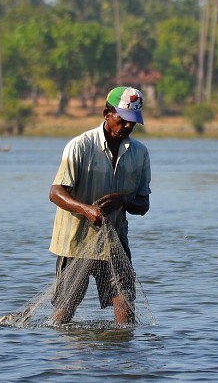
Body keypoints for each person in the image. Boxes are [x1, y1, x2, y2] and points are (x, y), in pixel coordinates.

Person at [48, 86, 151, 324]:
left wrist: (124, 200)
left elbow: (143, 204)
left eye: (132, 123)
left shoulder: (140, 153)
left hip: (114, 241)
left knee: (124, 303)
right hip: (76, 243)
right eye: (122, 120)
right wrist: (87, 210)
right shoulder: (81, 146)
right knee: (66, 307)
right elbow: (55, 192)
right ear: (107, 113)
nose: (127, 127)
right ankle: (65, 356)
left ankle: (124, 356)